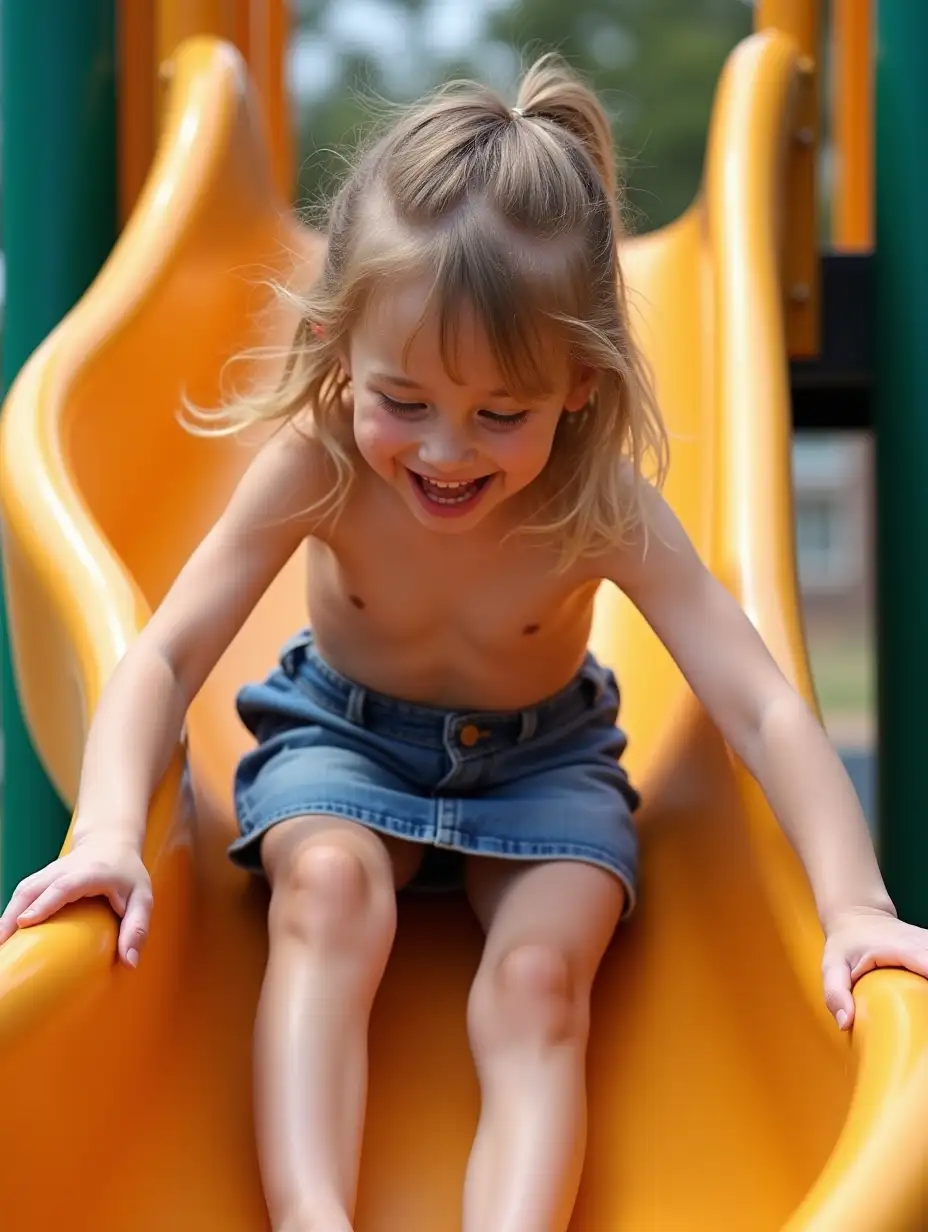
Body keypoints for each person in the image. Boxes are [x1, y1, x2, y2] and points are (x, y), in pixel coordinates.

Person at [1, 51, 926, 1232]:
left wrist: (853, 905)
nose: (446, 452)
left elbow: (760, 705)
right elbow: (167, 655)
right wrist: (110, 832)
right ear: (341, 346)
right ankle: (310, 1213)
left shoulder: (600, 504)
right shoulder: (321, 458)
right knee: (327, 895)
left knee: (543, 977)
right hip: (346, 736)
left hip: (545, 761)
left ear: (580, 386)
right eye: (406, 400)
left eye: (502, 414)